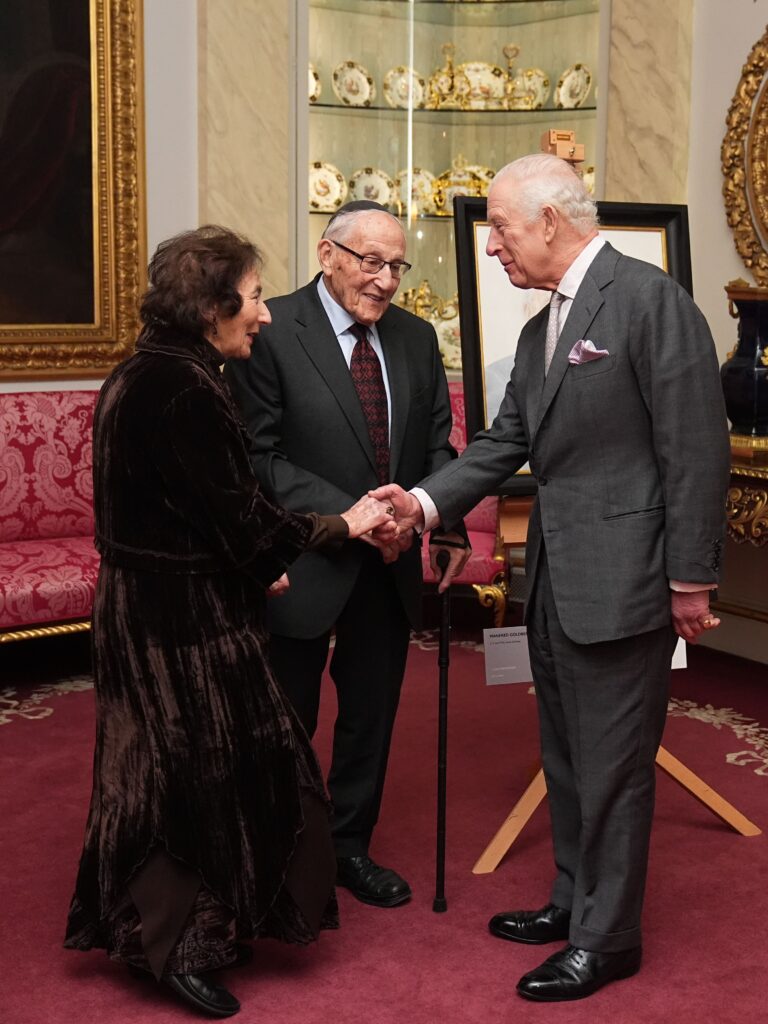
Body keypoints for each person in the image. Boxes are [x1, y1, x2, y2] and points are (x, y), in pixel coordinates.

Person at [372, 154, 731, 1001]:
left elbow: (696, 450)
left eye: (498, 227)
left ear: (548, 222)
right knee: (568, 758)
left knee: (614, 767)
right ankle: (574, 903)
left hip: (630, 583)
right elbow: (504, 445)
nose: (490, 246)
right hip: (558, 585)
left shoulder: (651, 303)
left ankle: (608, 941)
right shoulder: (543, 329)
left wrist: (691, 580)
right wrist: (422, 503)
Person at [64, 225, 396, 1018]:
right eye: (251, 297)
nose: (265, 314)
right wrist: (344, 525)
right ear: (210, 306)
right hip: (179, 626)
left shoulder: (152, 372)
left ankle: (187, 931)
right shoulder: (182, 389)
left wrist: (252, 564)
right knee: (184, 779)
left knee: (167, 774)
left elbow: (188, 514)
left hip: (154, 608)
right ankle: (172, 950)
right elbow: (244, 517)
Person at [224, 201, 469, 909]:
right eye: (371, 262)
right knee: (284, 721)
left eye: (397, 265)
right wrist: (353, 516)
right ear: (328, 253)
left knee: (371, 717)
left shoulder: (418, 339)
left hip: (390, 562)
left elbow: (438, 448)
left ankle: (348, 849)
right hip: (300, 562)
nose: (387, 280)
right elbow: (258, 455)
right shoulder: (271, 332)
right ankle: (277, 858)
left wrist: (428, 520)